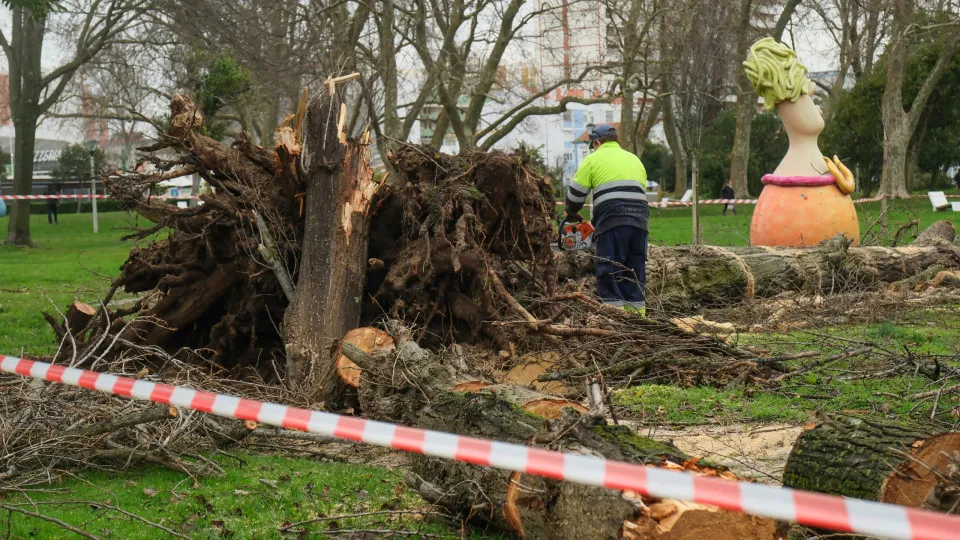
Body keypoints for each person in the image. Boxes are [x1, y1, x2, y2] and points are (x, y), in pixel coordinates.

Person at [565, 124, 649, 316]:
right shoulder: (634, 159)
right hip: (640, 221)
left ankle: (613, 322)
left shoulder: (593, 159)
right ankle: (639, 324)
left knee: (608, 269)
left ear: (596, 142)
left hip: (612, 220)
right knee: (634, 271)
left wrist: (570, 212)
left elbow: (575, 196)